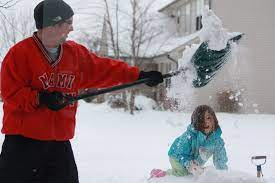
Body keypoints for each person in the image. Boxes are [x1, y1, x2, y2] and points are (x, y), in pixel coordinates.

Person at [0, 0, 163, 182]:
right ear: (53, 25)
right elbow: (10, 92)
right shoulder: (19, 54)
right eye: (68, 23)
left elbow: (105, 69)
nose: (72, 28)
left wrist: (139, 75)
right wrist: (40, 98)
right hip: (23, 144)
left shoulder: (74, 54)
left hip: (58, 144)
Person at [167, 105, 228, 176]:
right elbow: (180, 153)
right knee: (184, 174)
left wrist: (223, 175)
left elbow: (220, 160)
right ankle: (168, 174)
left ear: (214, 120)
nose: (206, 122)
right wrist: (188, 164)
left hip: (195, 161)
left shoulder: (217, 140)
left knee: (197, 174)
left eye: (208, 118)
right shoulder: (189, 136)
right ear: (196, 121)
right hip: (177, 157)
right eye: (202, 119)